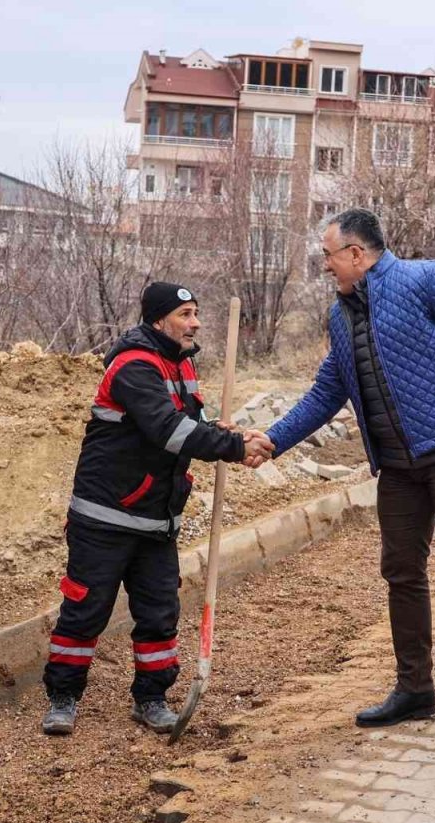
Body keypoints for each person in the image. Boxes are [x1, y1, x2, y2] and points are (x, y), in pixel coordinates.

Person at [266, 209, 435, 740]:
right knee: (401, 572)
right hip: (398, 464)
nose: (326, 266)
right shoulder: (342, 316)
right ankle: (415, 690)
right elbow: (327, 391)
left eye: (329, 255)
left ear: (356, 254)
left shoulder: (429, 279)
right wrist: (272, 441)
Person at [41, 283, 274, 737]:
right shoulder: (133, 366)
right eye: (185, 314)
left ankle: (151, 698)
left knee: (159, 612)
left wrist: (221, 432)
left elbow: (186, 425)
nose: (196, 323)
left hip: (157, 519)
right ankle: (63, 697)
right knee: (87, 610)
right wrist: (232, 446)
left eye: (197, 313)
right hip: (105, 517)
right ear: (158, 320)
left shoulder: (179, 365)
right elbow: (168, 430)